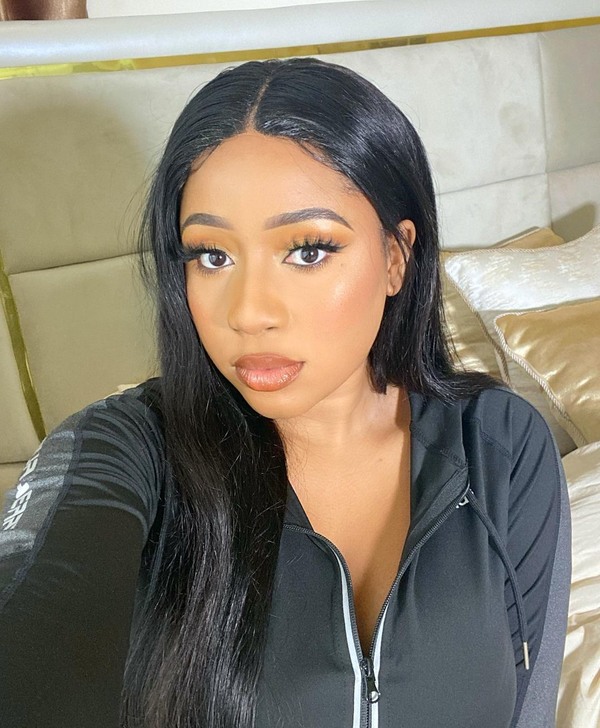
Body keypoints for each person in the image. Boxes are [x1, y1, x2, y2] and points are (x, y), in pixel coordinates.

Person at [0, 56, 571, 728]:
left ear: (395, 257)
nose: (249, 312)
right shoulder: (128, 449)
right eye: (212, 255)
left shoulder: (502, 445)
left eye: (307, 250)